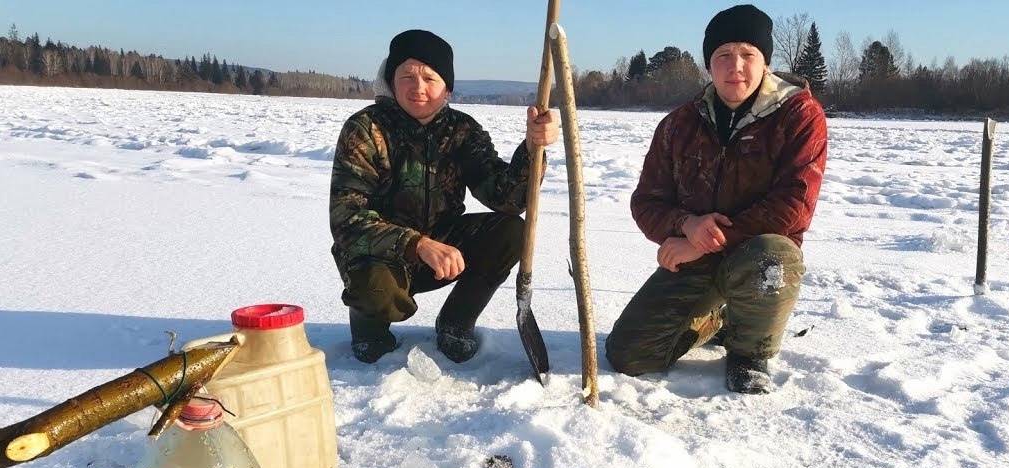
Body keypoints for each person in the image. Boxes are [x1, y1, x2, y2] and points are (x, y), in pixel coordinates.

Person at [605, 4, 827, 394]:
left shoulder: (799, 115)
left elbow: (794, 206)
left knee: (773, 255)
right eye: (723, 55)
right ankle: (718, 319)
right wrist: (686, 225)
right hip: (696, 259)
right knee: (629, 354)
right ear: (709, 64)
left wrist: (704, 241)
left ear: (765, 62)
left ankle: (750, 352)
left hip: (755, 253)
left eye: (747, 54)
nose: (735, 66)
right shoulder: (680, 124)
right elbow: (647, 201)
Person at [329, 29, 559, 364]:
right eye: (407, 76)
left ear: (447, 88)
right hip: (380, 255)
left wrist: (532, 149)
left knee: (512, 231)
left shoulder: (462, 130)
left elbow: (507, 198)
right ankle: (370, 332)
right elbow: (346, 219)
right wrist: (416, 244)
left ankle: (456, 322)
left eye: (429, 78)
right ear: (391, 82)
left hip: (442, 248)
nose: (418, 87)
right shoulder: (365, 129)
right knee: (376, 288)